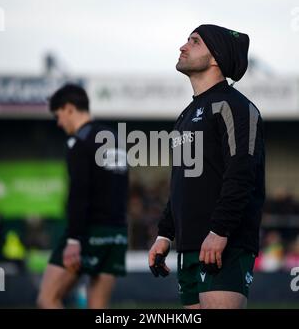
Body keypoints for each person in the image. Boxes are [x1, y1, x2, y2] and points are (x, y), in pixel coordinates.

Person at [148, 24, 265, 309]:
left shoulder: (236, 107)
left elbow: (241, 173)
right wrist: (165, 234)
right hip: (188, 248)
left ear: (216, 57)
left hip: (225, 243)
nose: (183, 46)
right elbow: (181, 182)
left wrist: (220, 231)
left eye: (195, 41)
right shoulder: (186, 115)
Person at [37, 84, 128, 309]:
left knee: (48, 299)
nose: (59, 123)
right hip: (116, 235)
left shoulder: (79, 141)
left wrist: (73, 239)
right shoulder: (114, 139)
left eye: (58, 115)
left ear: (69, 108)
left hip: (88, 233)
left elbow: (79, 193)